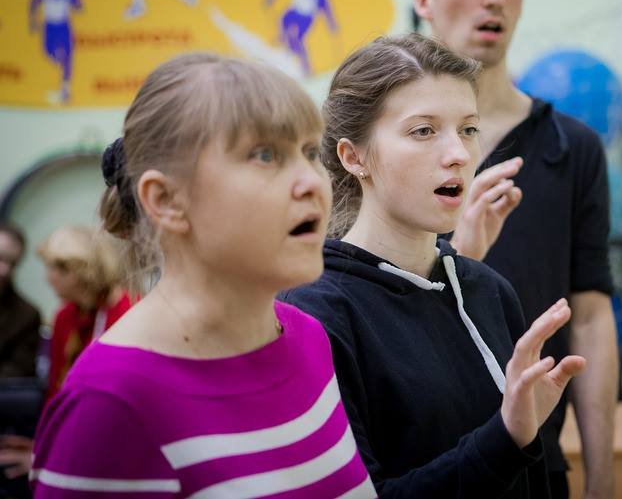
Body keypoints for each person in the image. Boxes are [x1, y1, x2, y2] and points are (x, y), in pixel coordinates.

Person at [30, 53, 376, 498]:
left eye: (310, 152)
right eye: (265, 154)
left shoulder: (308, 337)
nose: (312, 181)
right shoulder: (110, 402)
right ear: (166, 200)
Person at [280, 33, 586, 498]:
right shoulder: (314, 313)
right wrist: (505, 438)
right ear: (354, 156)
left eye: (468, 129)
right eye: (423, 131)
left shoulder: (490, 291)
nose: (459, 153)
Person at [414, 0, 617, 497]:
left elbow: (591, 317)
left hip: (537, 464)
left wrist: (603, 477)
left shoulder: (572, 146)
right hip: (418, 463)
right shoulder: (387, 146)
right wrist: (459, 252)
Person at [37, 226, 132, 400]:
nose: (48, 279)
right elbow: (55, 385)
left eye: (56, 269)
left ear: (81, 272)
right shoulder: (64, 315)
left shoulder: (129, 310)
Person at [264, 0, 338, 76]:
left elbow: (327, 12)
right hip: (293, 13)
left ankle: (305, 67)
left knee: (297, 40)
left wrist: (332, 24)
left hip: (305, 19)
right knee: (285, 22)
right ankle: (283, 41)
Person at [28, 0, 82, 104]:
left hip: (64, 26)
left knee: (68, 58)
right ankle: (61, 78)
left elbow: (78, 5)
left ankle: (65, 90)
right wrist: (32, 22)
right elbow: (33, 3)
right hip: (49, 27)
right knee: (50, 53)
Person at [0, 223, 41, 380]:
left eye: (13, 263)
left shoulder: (25, 315)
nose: (5, 270)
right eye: (0, 258)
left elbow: (17, 370)